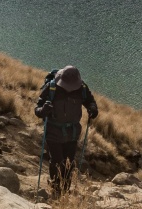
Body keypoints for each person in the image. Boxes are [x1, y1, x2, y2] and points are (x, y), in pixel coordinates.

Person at [35, 65, 98, 194]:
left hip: (72, 132)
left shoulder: (82, 88)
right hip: (53, 131)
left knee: (69, 162)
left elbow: (90, 101)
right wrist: (43, 110)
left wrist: (93, 109)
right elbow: (38, 109)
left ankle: (65, 188)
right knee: (57, 161)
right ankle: (55, 187)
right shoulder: (51, 87)